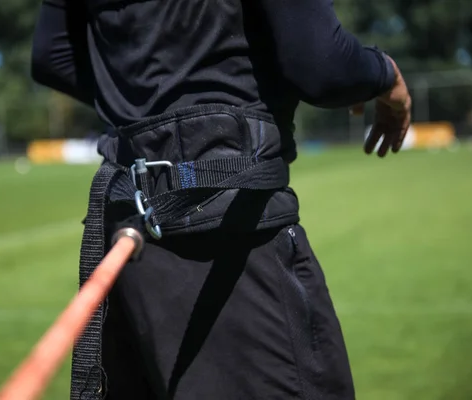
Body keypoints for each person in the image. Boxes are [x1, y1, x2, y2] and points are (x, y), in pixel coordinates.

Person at [31, 0, 412, 399]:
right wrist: (386, 74)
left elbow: (52, 56)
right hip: (233, 230)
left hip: (132, 231)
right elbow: (324, 65)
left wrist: (149, 105)